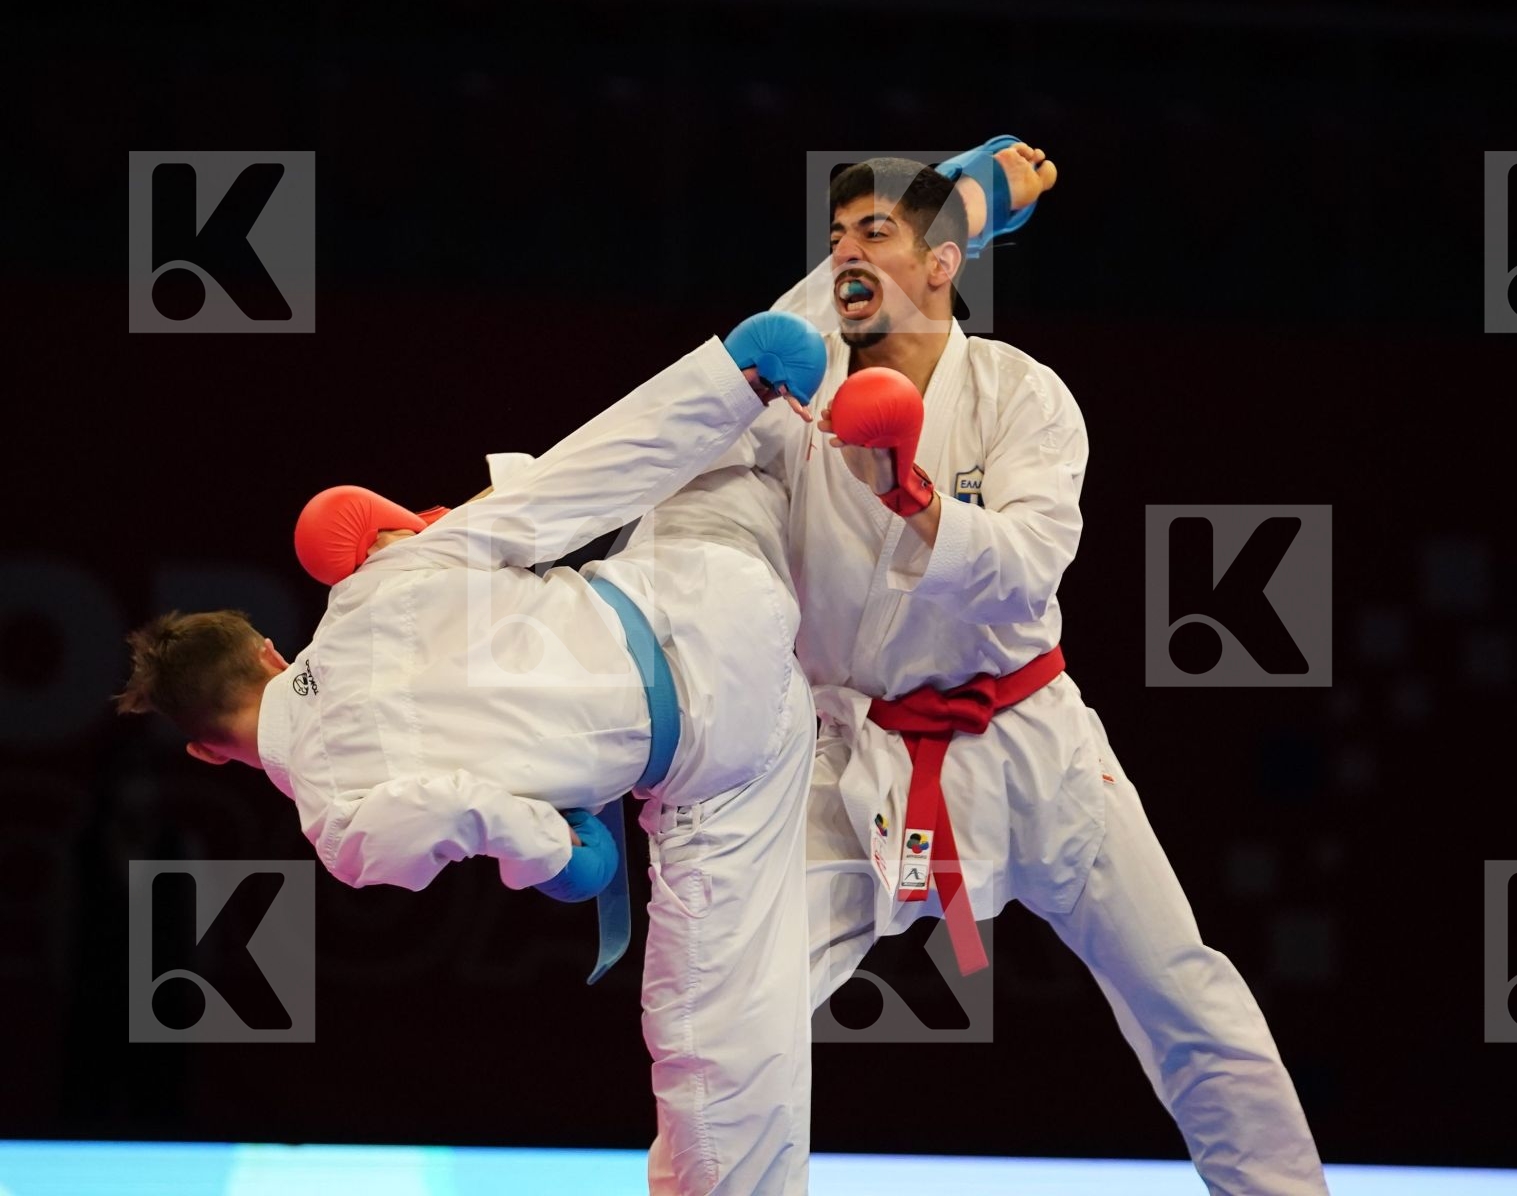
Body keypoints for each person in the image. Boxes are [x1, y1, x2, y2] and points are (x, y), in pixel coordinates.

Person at [117, 312, 825, 1196]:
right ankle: (890, 259)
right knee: (743, 432)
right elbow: (572, 488)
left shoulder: (340, 829)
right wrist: (726, 377)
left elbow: (458, 805)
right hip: (713, 585)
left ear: (205, 755)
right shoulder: (380, 581)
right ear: (269, 648)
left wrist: (557, 856)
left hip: (729, 751)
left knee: (711, 1059)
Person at [738, 150, 1332, 1194]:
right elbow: (666, 458)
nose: (845, 256)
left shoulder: (1025, 396)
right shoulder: (791, 400)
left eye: (873, 233)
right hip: (861, 763)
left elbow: (1022, 573)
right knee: (739, 1000)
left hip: (1033, 748)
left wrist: (912, 496)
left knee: (1189, 1001)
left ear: (942, 264)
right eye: (834, 240)